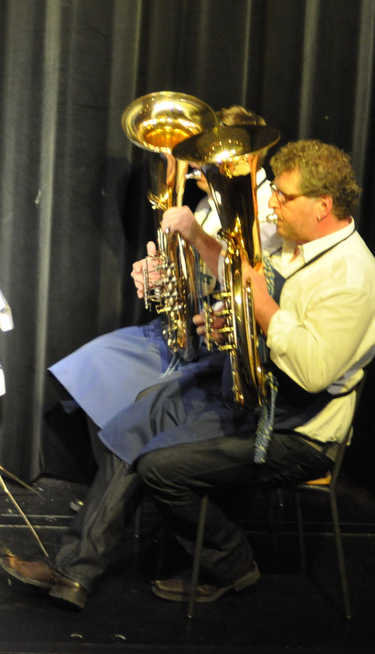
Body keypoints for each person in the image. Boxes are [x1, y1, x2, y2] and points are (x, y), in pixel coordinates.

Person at [0, 139, 375, 610]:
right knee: (136, 419)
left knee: (161, 468)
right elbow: (246, 300)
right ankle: (72, 570)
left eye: (284, 196)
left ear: (323, 205)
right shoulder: (293, 244)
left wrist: (259, 307)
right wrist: (226, 322)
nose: (272, 204)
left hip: (297, 431)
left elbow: (314, 371)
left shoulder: (353, 277)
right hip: (247, 392)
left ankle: (231, 564)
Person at [48, 106, 277, 457]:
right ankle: (114, 474)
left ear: (244, 156)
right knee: (86, 367)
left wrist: (196, 235)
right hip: (181, 334)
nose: (197, 162)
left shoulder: (269, 207)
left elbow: (247, 280)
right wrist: (162, 275)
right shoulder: (206, 204)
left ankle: (126, 475)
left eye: (208, 152)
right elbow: (194, 270)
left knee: (121, 393)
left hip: (219, 350)